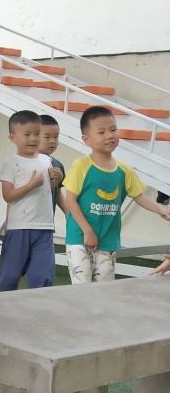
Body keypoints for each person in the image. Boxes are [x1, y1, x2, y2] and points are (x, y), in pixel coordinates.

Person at [63, 105, 170, 284]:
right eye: (102, 132)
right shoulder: (81, 165)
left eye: (113, 130)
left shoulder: (124, 170)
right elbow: (71, 200)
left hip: (108, 241)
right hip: (80, 238)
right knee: (81, 288)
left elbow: (139, 196)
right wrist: (87, 231)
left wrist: (161, 210)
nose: (109, 135)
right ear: (86, 139)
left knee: (105, 289)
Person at [0, 110, 55, 291]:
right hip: (19, 227)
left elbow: (45, 190)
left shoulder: (46, 160)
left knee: (43, 277)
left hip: (45, 227)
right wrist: (30, 185)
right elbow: (8, 195)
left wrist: (56, 180)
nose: (33, 139)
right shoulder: (10, 163)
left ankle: (36, 307)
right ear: (12, 137)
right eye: (27, 134)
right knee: (10, 277)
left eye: (37, 133)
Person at [39, 114, 66, 218]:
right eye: (47, 137)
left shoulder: (58, 165)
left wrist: (69, 213)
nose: (52, 141)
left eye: (56, 137)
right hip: (28, 221)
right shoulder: (28, 163)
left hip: (48, 222)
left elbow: (58, 194)